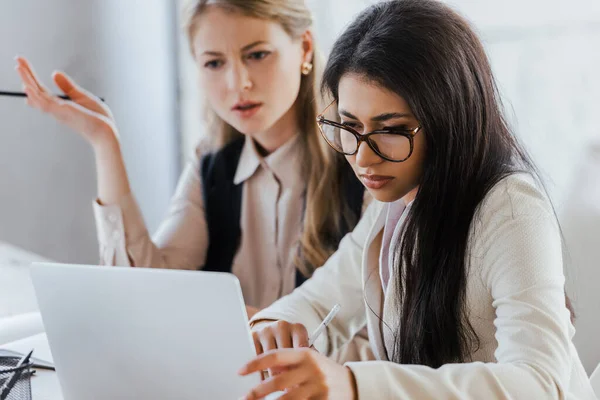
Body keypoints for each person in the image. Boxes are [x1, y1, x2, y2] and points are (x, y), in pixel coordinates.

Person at [240, 0, 596, 398]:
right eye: (349, 126)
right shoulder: (394, 200)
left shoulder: (512, 210)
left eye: (390, 129)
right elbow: (319, 300)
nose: (362, 157)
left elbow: (539, 384)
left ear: (450, 119)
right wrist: (274, 326)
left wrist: (355, 385)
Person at [14, 0, 367, 319]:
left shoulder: (362, 160)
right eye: (214, 62)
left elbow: (382, 337)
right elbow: (143, 289)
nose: (237, 83)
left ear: (305, 47)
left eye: (257, 54)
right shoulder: (211, 164)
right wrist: (103, 141)